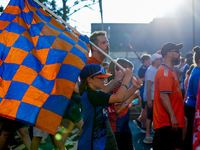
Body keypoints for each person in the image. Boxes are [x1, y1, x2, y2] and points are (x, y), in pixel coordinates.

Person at [77, 63, 142, 150]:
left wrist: (135, 87)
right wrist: (127, 78)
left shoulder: (94, 93)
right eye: (100, 77)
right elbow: (118, 98)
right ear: (90, 79)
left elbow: (121, 99)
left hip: (98, 139)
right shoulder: (92, 95)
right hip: (91, 142)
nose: (104, 79)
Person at [87, 31, 124, 150]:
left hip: (99, 117)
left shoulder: (99, 64)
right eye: (103, 42)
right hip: (95, 119)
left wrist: (117, 80)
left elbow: (103, 90)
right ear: (94, 47)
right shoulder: (92, 64)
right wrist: (120, 80)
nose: (107, 45)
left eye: (107, 42)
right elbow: (102, 92)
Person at [153, 42, 185, 150]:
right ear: (169, 54)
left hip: (170, 123)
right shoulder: (165, 72)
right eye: (177, 51)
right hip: (167, 124)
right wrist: (173, 116)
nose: (179, 53)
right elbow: (164, 96)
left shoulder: (169, 71)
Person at [107, 58, 142, 150]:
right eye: (129, 72)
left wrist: (132, 104)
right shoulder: (116, 86)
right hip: (116, 128)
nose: (132, 75)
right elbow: (117, 110)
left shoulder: (122, 85)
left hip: (123, 127)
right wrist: (132, 97)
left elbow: (123, 106)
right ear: (120, 71)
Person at [143, 53, 162, 144]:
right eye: (159, 59)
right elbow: (149, 85)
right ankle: (147, 136)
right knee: (149, 117)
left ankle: (151, 133)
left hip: (154, 97)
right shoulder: (151, 70)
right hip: (152, 97)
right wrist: (149, 100)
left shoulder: (154, 69)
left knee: (152, 116)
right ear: (155, 61)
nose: (160, 60)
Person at [183, 46, 200, 150]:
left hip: (192, 106)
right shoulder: (198, 73)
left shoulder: (196, 71)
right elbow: (199, 97)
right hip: (193, 107)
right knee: (192, 135)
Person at [133, 54, 151, 133]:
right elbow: (141, 78)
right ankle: (144, 127)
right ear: (145, 60)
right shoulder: (143, 68)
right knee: (145, 109)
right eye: (149, 60)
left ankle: (139, 121)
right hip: (144, 91)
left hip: (144, 90)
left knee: (145, 109)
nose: (150, 61)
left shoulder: (144, 68)